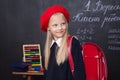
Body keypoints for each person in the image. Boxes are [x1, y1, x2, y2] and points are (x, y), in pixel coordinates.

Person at [40, 5, 86, 80]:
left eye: (63, 24)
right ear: (48, 28)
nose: (60, 28)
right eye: (55, 25)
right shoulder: (49, 48)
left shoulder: (73, 43)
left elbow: (80, 73)